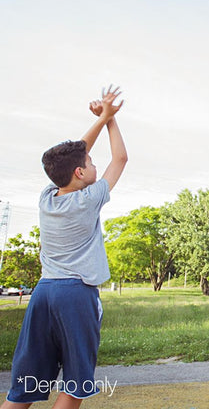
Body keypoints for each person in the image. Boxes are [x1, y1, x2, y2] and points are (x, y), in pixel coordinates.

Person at [2, 86, 127, 409]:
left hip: (43, 293)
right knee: (74, 384)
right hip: (76, 295)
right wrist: (110, 120)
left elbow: (72, 157)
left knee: (26, 385)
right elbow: (121, 158)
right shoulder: (90, 198)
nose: (95, 165)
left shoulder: (46, 199)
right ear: (80, 173)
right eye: (90, 162)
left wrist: (102, 117)